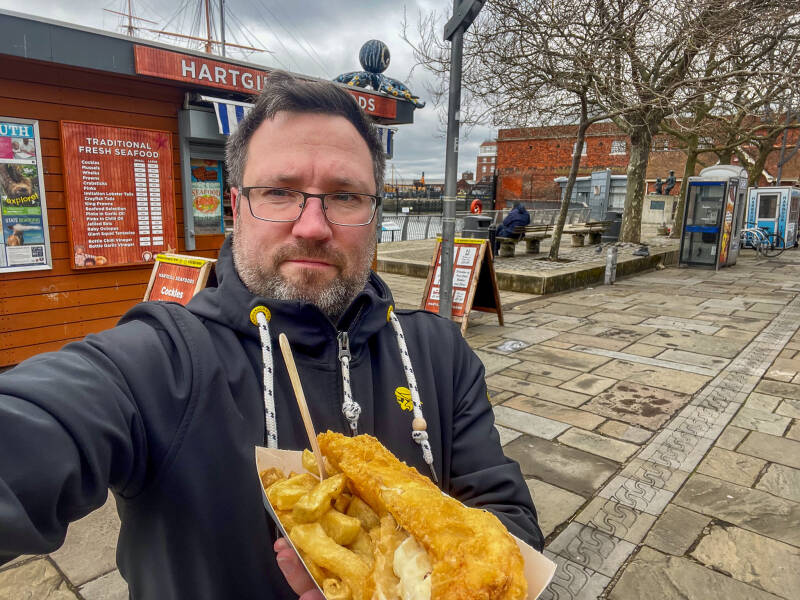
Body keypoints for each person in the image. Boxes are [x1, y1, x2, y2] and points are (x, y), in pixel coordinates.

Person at [0, 73, 543, 599]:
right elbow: (41, 426)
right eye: (280, 192)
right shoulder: (160, 359)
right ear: (236, 206)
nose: (312, 225)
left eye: (345, 195)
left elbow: (506, 518)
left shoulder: (440, 353)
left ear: (374, 215)